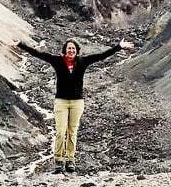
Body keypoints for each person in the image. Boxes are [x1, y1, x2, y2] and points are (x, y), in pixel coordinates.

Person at [16, 37, 130, 173]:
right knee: (60, 131)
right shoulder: (57, 61)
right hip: (61, 102)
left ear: (77, 51)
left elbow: (101, 56)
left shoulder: (82, 62)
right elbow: (39, 54)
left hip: (77, 102)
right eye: (69, 48)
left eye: (73, 48)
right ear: (65, 50)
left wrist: (119, 47)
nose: (71, 50)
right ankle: (59, 161)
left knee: (72, 132)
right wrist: (20, 44)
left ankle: (70, 160)